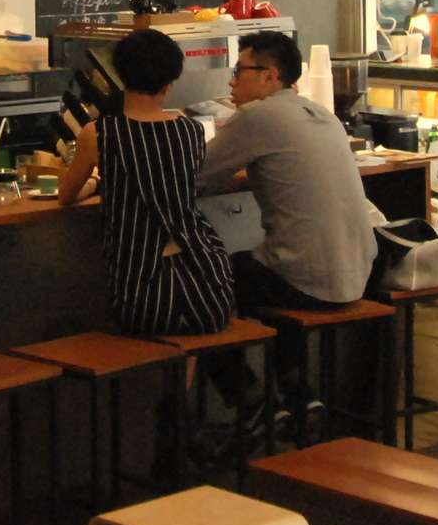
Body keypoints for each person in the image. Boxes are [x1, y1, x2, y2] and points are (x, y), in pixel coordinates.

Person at [57, 27, 235, 337]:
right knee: (193, 336)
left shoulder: (99, 134)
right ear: (169, 82)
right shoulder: (190, 131)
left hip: (141, 296)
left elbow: (65, 195)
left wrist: (96, 184)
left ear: (119, 76)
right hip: (208, 291)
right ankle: (192, 385)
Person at [196, 30, 375, 312]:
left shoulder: (257, 115)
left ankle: (232, 355)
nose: (232, 81)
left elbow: (195, 173)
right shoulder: (323, 115)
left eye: (239, 71)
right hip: (360, 275)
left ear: (269, 75)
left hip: (305, 281)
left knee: (213, 272)